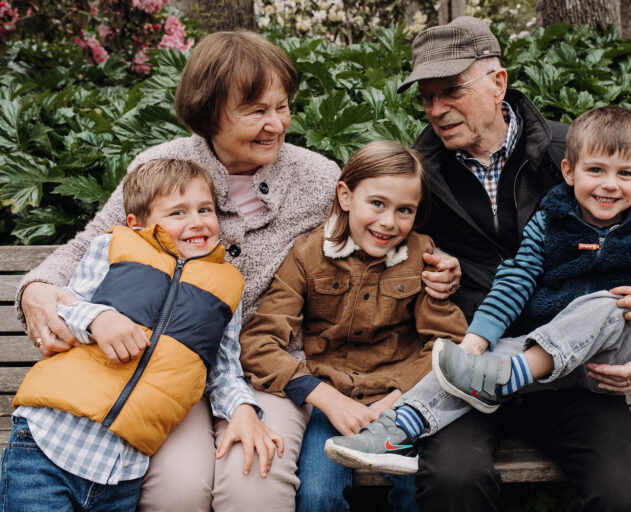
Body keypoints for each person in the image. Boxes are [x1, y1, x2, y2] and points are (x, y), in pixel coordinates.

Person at [14, 31, 459, 510]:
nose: (276, 124)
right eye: (255, 111)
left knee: (255, 486)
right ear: (209, 113)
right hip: (168, 367)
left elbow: (378, 238)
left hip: (270, 372)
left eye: (281, 107)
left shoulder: (317, 179)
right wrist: (36, 289)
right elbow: (88, 248)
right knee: (175, 492)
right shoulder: (162, 169)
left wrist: (440, 268)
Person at [390, 16, 631, 511]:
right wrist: (426, 269)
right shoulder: (419, 174)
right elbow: (373, 250)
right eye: (426, 97)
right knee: (451, 484)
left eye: (450, 91)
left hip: (576, 372)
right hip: (476, 369)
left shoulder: (575, 154)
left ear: (498, 83)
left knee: (625, 499)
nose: (436, 110)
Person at [324, 106, 631, 475]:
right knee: (476, 363)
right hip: (538, 353)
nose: (609, 184)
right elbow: (516, 279)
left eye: (625, 173)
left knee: (612, 301)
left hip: (604, 360)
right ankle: (396, 431)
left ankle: (507, 374)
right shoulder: (550, 220)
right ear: (568, 172)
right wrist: (475, 341)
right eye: (596, 170)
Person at [2, 159, 283, 511]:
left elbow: (222, 366)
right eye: (178, 213)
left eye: (205, 209)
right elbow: (65, 305)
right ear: (137, 223)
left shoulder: (228, 286)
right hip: (51, 441)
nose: (197, 222)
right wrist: (99, 318)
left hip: (122, 469)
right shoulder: (116, 247)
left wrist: (242, 408)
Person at [238, 140, 468, 511]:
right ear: (345, 195)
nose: (389, 222)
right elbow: (258, 342)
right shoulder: (306, 255)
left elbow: (448, 342)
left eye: (404, 210)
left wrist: (398, 399)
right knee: (317, 495)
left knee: (417, 490)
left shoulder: (422, 255)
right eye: (377, 203)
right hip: (332, 402)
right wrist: (323, 397)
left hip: (402, 404)